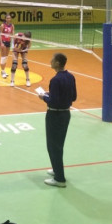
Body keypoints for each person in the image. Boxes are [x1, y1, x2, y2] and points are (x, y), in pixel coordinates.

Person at [37, 52, 77, 188]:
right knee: (58, 145)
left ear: (58, 63)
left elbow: (53, 102)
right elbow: (73, 97)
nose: (50, 61)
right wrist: (52, 94)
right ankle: (56, 169)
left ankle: (59, 179)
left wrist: (44, 97)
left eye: (52, 60)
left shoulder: (55, 80)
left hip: (55, 115)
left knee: (54, 146)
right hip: (66, 115)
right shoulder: (70, 76)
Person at [0, 14, 14, 79]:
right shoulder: (2, 25)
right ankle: (2, 72)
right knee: (3, 57)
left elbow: (12, 34)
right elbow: (0, 34)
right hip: (3, 42)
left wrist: (13, 42)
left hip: (8, 42)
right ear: (5, 19)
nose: (8, 19)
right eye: (7, 18)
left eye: (9, 18)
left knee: (6, 57)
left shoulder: (12, 25)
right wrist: (1, 43)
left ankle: (3, 70)